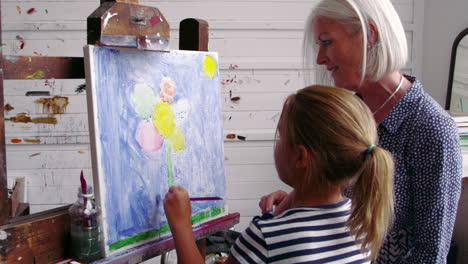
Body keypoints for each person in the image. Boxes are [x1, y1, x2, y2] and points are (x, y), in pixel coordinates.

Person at [260, 0, 463, 263]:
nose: (320, 58)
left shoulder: (432, 130)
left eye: (327, 42)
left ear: (369, 35)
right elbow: (339, 200)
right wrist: (298, 199)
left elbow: (431, 252)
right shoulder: (346, 114)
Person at [164, 85, 395, 263]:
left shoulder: (267, 236)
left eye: (282, 136)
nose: (277, 143)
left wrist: (181, 224)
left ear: (301, 157)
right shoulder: (361, 220)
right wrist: (296, 199)